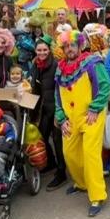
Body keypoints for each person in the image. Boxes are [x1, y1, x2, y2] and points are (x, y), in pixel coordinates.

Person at [54, 30, 110, 217]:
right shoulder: (60, 68)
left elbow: (105, 86)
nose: (69, 49)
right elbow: (57, 95)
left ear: (80, 46)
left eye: (72, 45)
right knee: (69, 153)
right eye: (66, 46)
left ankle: (97, 195)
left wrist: (95, 108)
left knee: (90, 154)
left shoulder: (92, 62)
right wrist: (60, 116)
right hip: (70, 117)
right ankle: (81, 183)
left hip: (91, 115)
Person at [28, 35, 67, 191]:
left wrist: (62, 113)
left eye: (44, 50)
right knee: (42, 137)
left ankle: (61, 172)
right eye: (39, 50)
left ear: (49, 50)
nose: (42, 53)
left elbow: (62, 89)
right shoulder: (36, 65)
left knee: (58, 141)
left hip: (56, 109)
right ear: (35, 51)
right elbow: (35, 87)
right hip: (43, 109)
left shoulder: (56, 65)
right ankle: (50, 163)